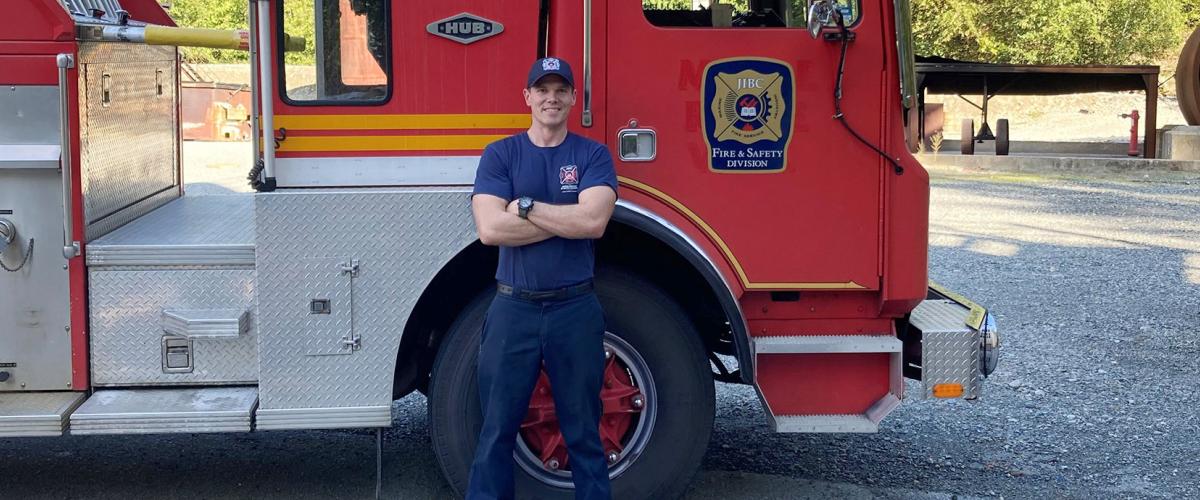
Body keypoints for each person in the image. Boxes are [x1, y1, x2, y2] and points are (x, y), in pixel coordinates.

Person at [467, 57, 617, 500]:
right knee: (495, 430)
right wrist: (565, 219)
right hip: (514, 310)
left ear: (572, 98)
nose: (551, 98)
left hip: (575, 310)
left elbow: (594, 223)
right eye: (542, 90)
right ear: (527, 98)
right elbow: (490, 229)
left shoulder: (592, 154)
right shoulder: (501, 153)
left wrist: (527, 206)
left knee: (584, 432)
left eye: (560, 90)